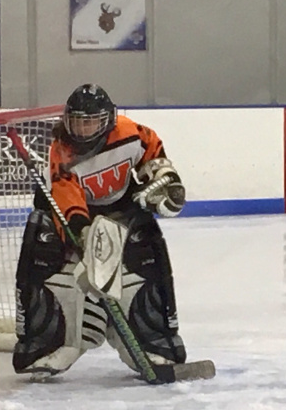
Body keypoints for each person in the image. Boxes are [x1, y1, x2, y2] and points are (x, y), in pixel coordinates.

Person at [13, 84, 187, 378]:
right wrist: (81, 232)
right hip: (77, 217)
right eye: (78, 122)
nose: (82, 130)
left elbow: (152, 150)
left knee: (144, 259)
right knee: (53, 262)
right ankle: (52, 342)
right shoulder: (62, 152)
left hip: (122, 209)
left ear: (107, 120)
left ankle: (151, 341)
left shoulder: (130, 132)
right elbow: (67, 198)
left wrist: (164, 178)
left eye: (90, 122)